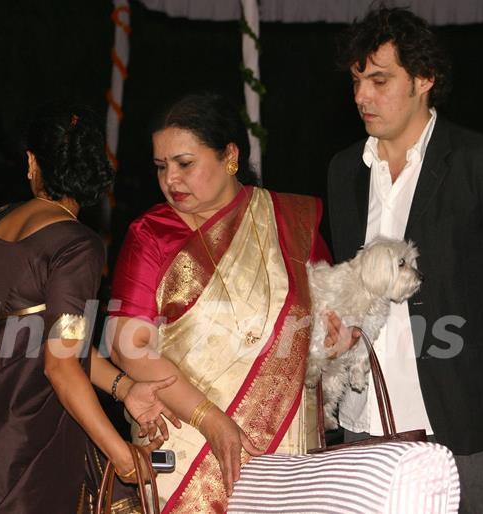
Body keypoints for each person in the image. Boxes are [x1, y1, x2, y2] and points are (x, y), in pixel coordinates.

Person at [326, 7, 483, 514]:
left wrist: (480, 363)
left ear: (425, 78)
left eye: (379, 80)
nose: (362, 96)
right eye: (357, 81)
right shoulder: (345, 172)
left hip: (461, 421)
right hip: (364, 419)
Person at [0, 104, 180, 513]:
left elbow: (48, 341)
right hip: (22, 442)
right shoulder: (76, 244)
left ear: (32, 162)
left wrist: (124, 389)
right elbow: (59, 364)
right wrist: (120, 455)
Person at [107, 92, 331, 512]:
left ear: (230, 156)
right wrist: (209, 419)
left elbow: (331, 314)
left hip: (282, 440)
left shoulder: (290, 222)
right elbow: (127, 345)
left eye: (185, 164)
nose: (171, 179)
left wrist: (340, 331)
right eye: (161, 167)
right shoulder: (151, 234)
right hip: (187, 443)